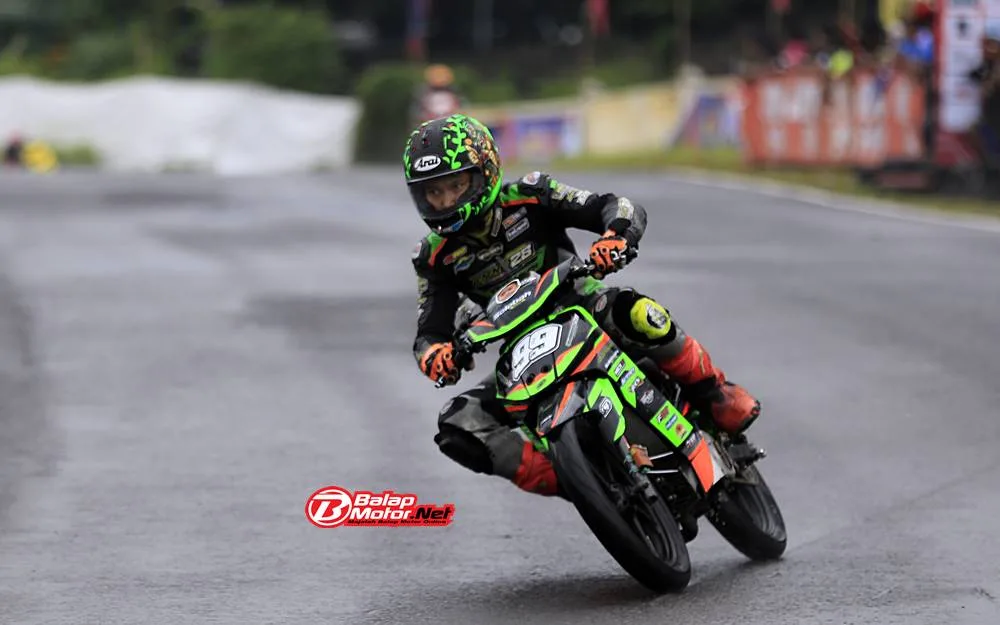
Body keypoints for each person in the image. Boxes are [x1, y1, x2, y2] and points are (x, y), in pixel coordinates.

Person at [405, 114, 762, 498]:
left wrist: (615, 237)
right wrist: (436, 355)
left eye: (456, 186)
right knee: (458, 424)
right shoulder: (432, 256)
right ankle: (574, 480)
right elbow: (429, 330)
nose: (446, 201)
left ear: (485, 172)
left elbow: (613, 206)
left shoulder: (531, 193)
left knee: (638, 313)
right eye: (433, 192)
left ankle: (715, 394)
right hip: (522, 355)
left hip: (585, 304)